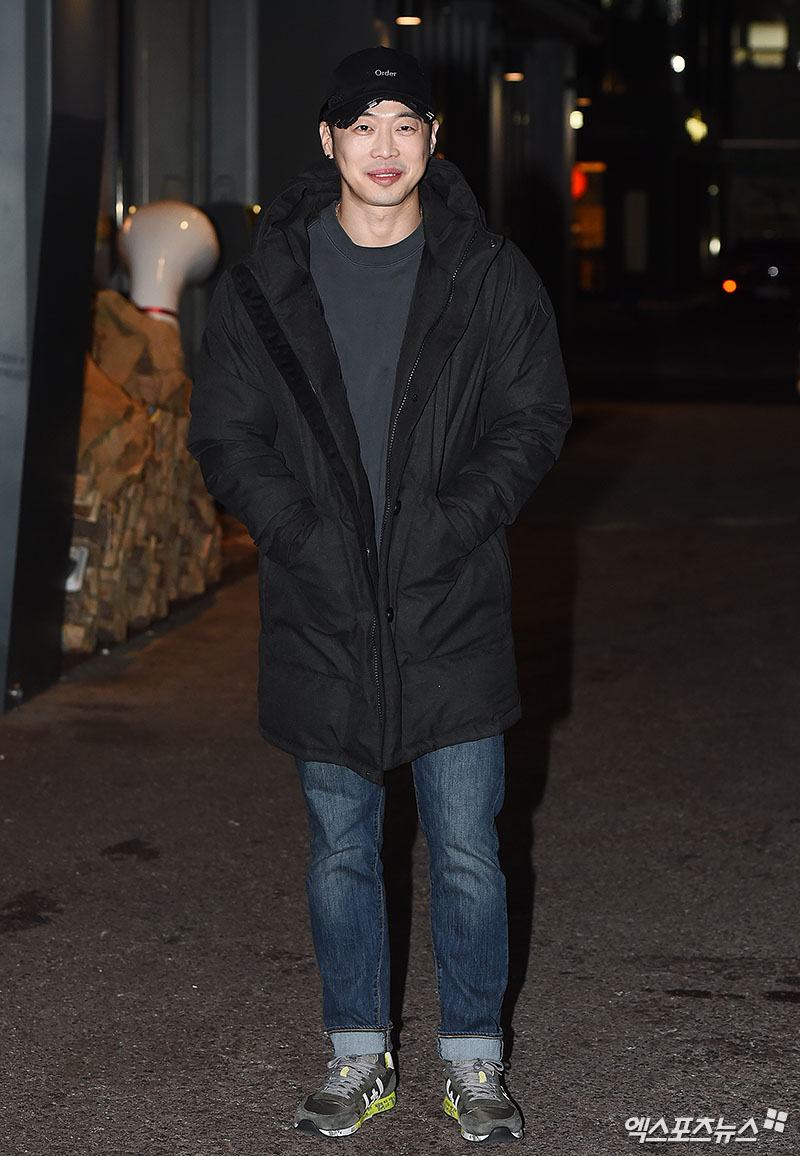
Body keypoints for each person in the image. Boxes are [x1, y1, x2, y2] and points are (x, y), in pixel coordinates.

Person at [188, 44, 570, 1144]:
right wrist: (303, 535)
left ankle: (474, 1062)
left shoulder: (487, 273)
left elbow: (530, 417)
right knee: (343, 846)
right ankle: (359, 1055)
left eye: (405, 125)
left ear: (432, 141)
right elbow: (227, 432)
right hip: (321, 606)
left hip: (447, 597)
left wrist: (446, 523)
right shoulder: (269, 282)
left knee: (465, 846)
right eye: (363, 126)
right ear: (328, 141)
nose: (385, 147)